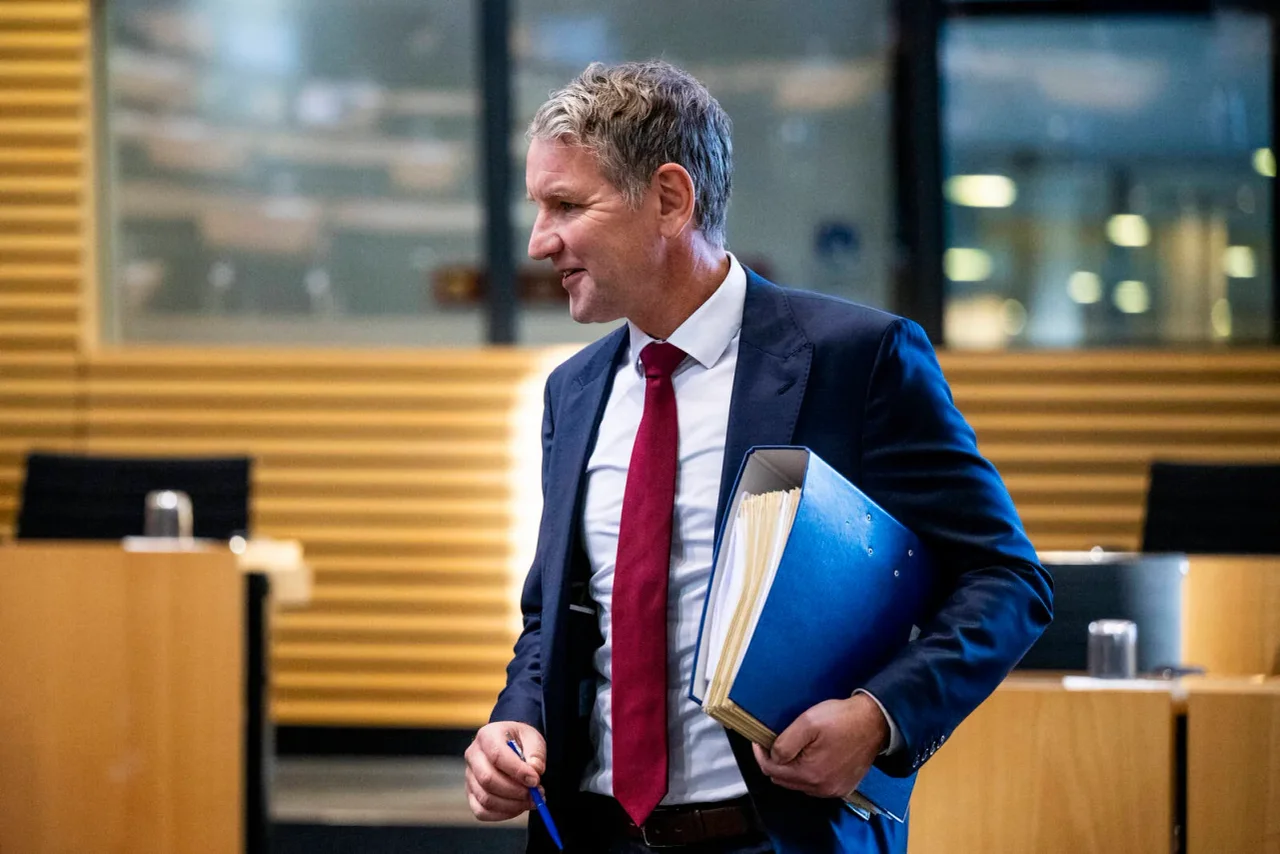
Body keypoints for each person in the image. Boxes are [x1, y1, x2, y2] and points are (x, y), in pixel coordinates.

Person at [464, 59, 1053, 854]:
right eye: (539, 207)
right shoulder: (573, 391)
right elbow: (560, 616)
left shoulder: (860, 359)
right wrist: (516, 718)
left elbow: (1007, 580)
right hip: (592, 833)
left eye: (566, 204)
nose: (539, 241)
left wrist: (880, 719)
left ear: (670, 200)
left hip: (775, 837)